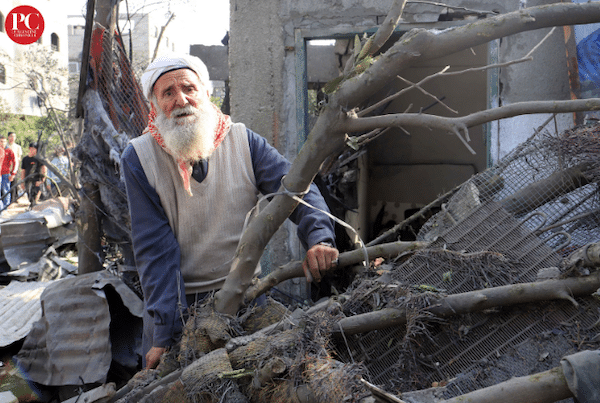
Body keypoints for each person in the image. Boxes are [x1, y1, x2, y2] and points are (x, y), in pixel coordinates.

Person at [122, 54, 339, 369]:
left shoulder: (242, 140)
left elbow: (295, 189)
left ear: (207, 94)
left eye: (189, 88)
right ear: (154, 106)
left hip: (248, 298)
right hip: (182, 308)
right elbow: (155, 250)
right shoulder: (139, 157)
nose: (181, 99)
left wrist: (320, 237)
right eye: (167, 93)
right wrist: (164, 334)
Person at [21, 142, 46, 206]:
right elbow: (23, 171)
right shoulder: (25, 159)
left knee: (38, 195)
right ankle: (32, 206)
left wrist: (42, 179)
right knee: (29, 195)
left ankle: (36, 206)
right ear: (29, 148)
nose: (33, 150)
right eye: (32, 148)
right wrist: (22, 182)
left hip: (37, 179)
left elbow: (44, 169)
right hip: (28, 179)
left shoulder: (40, 158)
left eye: (35, 149)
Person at [0, 136, 15, 209]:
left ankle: (6, 207)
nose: (2, 143)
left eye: (4, 141)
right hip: (0, 174)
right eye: (1, 141)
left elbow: (15, 162)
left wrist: (13, 174)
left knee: (5, 190)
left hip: (6, 173)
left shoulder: (9, 151)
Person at [7, 132, 22, 202]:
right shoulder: (5, 146)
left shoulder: (18, 147)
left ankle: (14, 198)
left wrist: (16, 167)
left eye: (14, 136)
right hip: (6, 168)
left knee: (14, 182)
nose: (12, 138)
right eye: (11, 136)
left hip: (14, 167)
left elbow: (19, 157)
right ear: (8, 137)